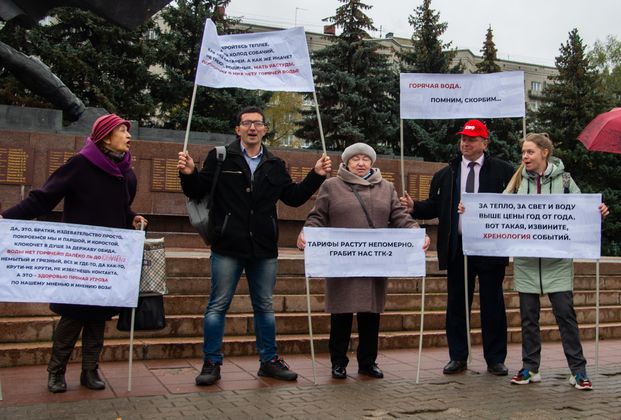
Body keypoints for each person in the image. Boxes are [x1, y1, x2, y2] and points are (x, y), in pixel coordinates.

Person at [177, 106, 332, 386]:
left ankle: (269, 361)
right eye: (246, 123)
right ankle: (212, 362)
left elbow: (294, 198)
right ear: (237, 129)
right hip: (227, 245)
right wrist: (189, 173)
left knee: (264, 307)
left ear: (264, 130)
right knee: (217, 307)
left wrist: (316, 175)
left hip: (263, 248)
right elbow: (197, 190)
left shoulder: (275, 164)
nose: (252, 128)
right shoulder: (221, 157)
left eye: (257, 123)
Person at [1, 114, 148, 393]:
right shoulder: (80, 165)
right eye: (122, 131)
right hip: (78, 258)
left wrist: (133, 217)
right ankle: (56, 372)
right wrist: (5, 219)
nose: (129, 136)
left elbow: (119, 209)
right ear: (106, 137)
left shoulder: (127, 174)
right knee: (73, 315)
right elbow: (42, 199)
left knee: (99, 316)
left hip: (107, 259)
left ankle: (90, 371)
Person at [297, 143, 430, 379]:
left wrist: (416, 232)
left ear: (372, 162)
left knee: (371, 315)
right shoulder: (331, 185)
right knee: (341, 314)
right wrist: (307, 232)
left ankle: (368, 362)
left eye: (365, 159)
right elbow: (318, 216)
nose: (360, 163)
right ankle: (338, 362)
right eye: (355, 159)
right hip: (342, 261)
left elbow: (399, 216)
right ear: (346, 163)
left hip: (374, 262)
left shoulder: (386, 187)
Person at [400, 119, 514, 376]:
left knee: (492, 304)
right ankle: (458, 356)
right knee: (457, 305)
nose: (465, 143)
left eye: (472, 139)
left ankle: (495, 359)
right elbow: (435, 206)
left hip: (490, 247)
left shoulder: (503, 171)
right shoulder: (447, 173)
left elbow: (513, 206)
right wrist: (414, 207)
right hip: (457, 247)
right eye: (463, 138)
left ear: (485, 143)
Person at [500, 132, 608, 390]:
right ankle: (530, 368)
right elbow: (497, 210)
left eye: (530, 152)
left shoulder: (566, 181)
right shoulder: (517, 183)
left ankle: (578, 371)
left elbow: (583, 211)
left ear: (544, 153)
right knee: (528, 319)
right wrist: (469, 212)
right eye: (523, 152)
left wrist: (598, 212)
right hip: (527, 262)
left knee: (565, 316)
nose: (524, 156)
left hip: (557, 262)